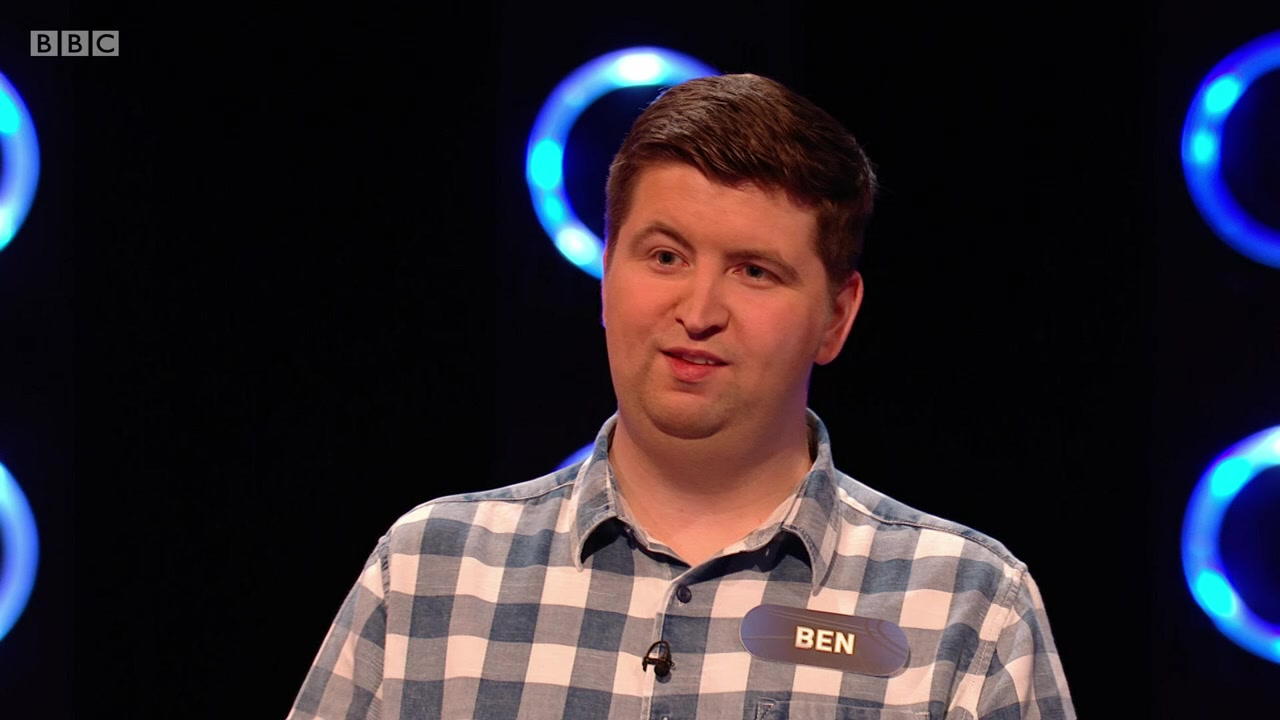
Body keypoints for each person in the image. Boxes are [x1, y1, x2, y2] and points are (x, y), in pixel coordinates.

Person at [286, 72, 1075, 720]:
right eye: (665, 256)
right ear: (607, 276)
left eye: (754, 271)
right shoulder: (429, 571)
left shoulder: (965, 606)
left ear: (836, 317)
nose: (698, 311)